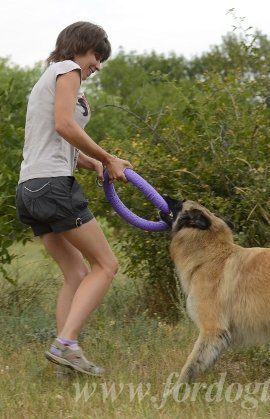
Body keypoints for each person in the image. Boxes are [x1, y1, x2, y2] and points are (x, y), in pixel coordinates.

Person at [15, 21, 132, 376]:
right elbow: (66, 126)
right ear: (80, 46)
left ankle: (63, 361)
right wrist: (110, 158)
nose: (98, 64)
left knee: (75, 271)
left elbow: (56, 136)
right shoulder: (68, 70)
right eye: (98, 55)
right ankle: (66, 343)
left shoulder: (48, 77)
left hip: (30, 188)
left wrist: (93, 161)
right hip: (52, 185)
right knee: (107, 265)